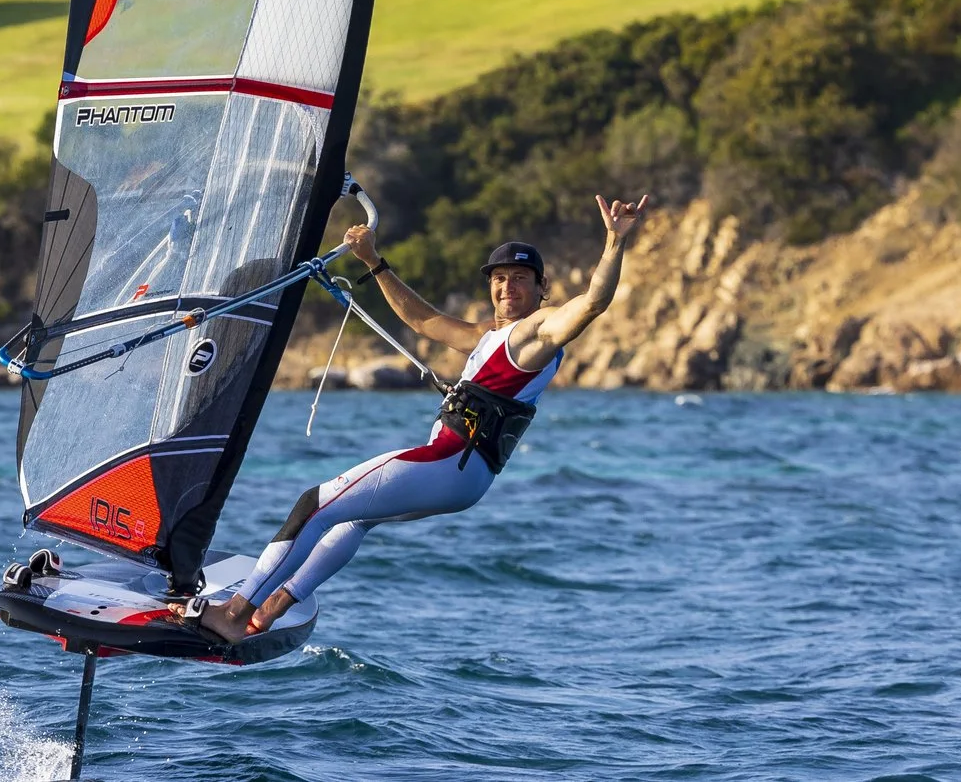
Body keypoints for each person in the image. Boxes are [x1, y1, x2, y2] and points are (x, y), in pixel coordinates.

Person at [188, 193, 649, 643]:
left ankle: (233, 613)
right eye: (500, 278)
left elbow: (592, 303)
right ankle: (267, 612)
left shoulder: (538, 333)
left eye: (521, 279)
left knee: (315, 504)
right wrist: (374, 263)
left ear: (542, 287)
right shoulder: (491, 338)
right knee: (352, 520)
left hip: (449, 462)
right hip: (465, 477)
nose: (509, 287)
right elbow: (424, 322)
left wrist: (615, 242)